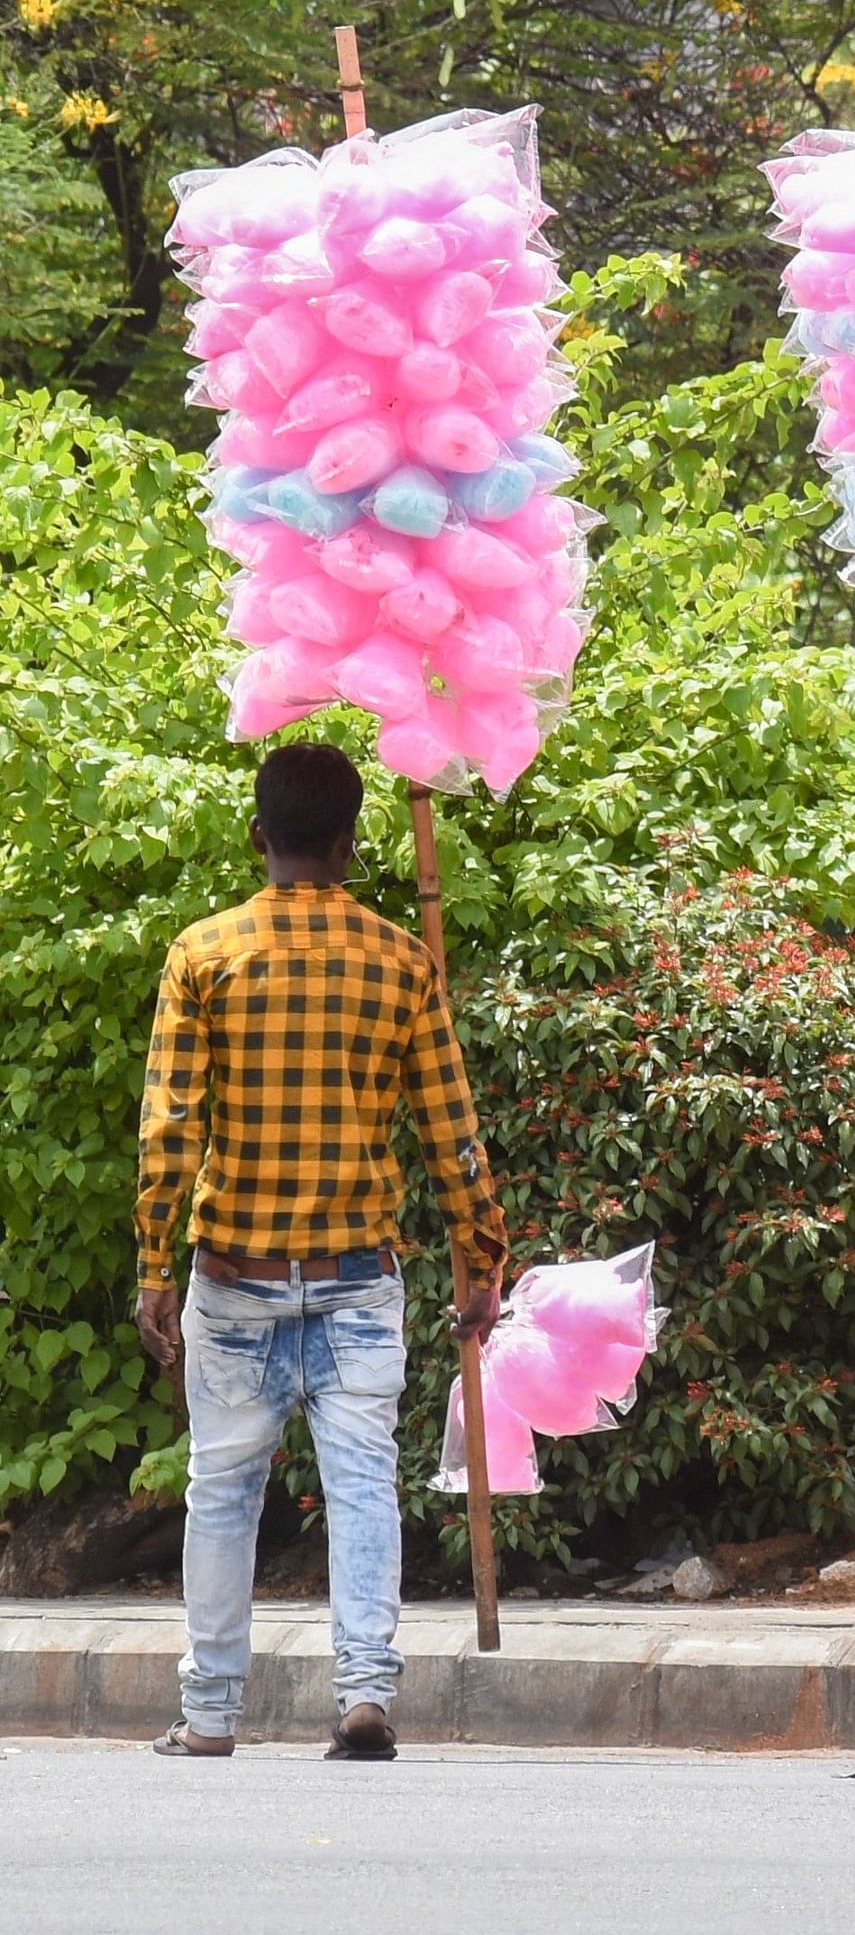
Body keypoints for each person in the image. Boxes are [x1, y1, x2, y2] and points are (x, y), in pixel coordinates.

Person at [133, 744, 504, 1761]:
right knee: (361, 1482)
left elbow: (171, 1127)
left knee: (222, 1491)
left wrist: (156, 1265)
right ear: (351, 842)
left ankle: (210, 1713)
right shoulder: (399, 959)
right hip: (355, 1275)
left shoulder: (201, 954)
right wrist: (483, 1251)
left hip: (235, 1274)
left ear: (259, 836)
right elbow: (449, 1129)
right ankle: (364, 1695)